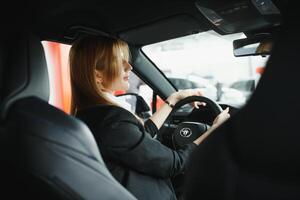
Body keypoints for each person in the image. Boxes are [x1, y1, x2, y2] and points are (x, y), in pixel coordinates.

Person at [69, 35, 230, 200]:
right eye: (119, 60)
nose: (129, 67)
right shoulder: (112, 122)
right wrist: (215, 131)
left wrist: (173, 99)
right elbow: (175, 164)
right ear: (98, 76)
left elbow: (138, 139)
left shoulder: (92, 115)